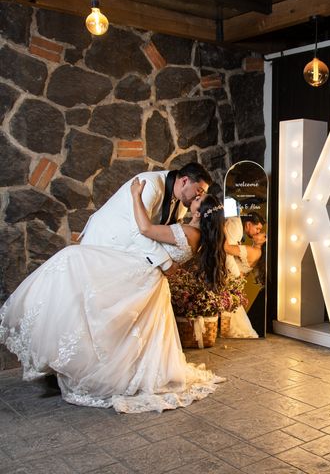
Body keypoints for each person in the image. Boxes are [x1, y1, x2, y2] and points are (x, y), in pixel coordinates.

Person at [0, 176, 226, 414]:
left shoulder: (187, 231)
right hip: (149, 276)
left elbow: (145, 229)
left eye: (199, 198)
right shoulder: (192, 233)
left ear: (201, 213)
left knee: (73, 260)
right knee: (124, 327)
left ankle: (96, 368)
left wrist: (136, 196)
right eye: (198, 193)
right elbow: (171, 258)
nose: (194, 197)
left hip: (141, 273)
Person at [81, 162, 212, 275]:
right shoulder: (149, 185)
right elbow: (139, 230)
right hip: (107, 243)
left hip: (132, 254)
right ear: (184, 181)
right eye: (199, 191)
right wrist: (166, 264)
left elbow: (168, 234)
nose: (198, 197)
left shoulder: (183, 203)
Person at [220, 214, 266, 338]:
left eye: (261, 233)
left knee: (231, 313)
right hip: (233, 279)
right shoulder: (255, 251)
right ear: (248, 224)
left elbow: (226, 247)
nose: (259, 232)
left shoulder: (252, 251)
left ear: (264, 240)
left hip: (231, 279)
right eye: (258, 229)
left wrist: (222, 226)